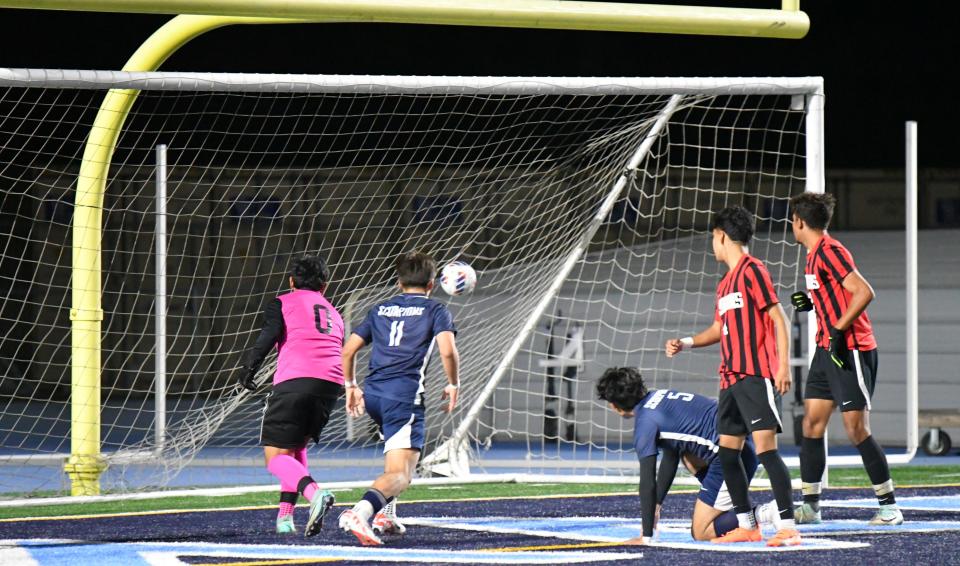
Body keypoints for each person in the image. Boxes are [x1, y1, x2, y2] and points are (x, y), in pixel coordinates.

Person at [665, 205, 800, 547]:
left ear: (721, 236)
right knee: (728, 454)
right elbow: (718, 327)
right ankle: (747, 525)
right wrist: (687, 342)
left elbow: (778, 318)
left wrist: (782, 366)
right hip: (729, 380)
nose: (712, 244)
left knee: (767, 452)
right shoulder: (724, 284)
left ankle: (788, 525)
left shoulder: (753, 271)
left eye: (712, 237)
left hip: (756, 375)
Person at [788, 192, 902, 525]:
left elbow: (864, 291)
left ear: (800, 221)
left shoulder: (830, 251)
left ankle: (889, 507)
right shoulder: (812, 256)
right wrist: (812, 306)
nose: (790, 225)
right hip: (826, 351)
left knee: (855, 429)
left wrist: (837, 329)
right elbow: (835, 297)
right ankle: (810, 506)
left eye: (792, 220)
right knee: (811, 424)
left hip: (850, 350)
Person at [339, 251, 460, 546]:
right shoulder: (435, 310)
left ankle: (385, 515)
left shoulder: (380, 308)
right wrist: (453, 383)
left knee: (396, 458)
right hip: (403, 399)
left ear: (398, 282)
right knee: (402, 474)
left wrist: (350, 386)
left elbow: (347, 351)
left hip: (374, 396)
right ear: (432, 284)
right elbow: (447, 350)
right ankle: (360, 513)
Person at [597, 367, 780, 543]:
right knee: (687, 455)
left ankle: (765, 512)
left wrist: (646, 536)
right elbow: (671, 455)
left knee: (700, 531)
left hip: (730, 458)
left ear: (614, 405)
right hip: (744, 443)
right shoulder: (662, 395)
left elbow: (647, 481)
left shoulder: (645, 425)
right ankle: (729, 503)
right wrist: (657, 505)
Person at [240, 255, 342, 536]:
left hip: (297, 380)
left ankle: (316, 494)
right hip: (331, 385)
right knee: (296, 449)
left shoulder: (283, 302)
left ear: (291, 282)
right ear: (324, 286)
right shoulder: (334, 312)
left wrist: (249, 368)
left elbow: (269, 335)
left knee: (275, 457)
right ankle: (285, 518)